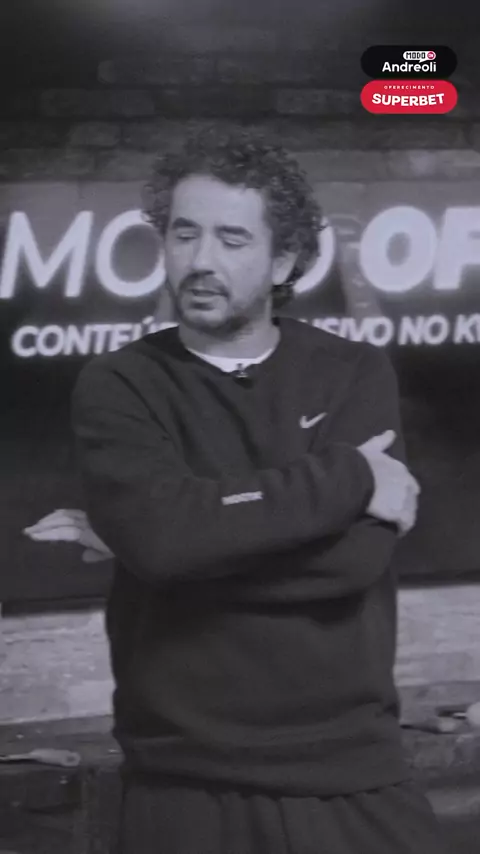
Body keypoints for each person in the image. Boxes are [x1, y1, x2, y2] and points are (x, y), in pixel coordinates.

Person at [27, 124, 447, 854]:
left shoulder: (352, 372)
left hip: (350, 771)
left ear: (283, 259)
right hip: (184, 782)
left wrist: (180, 543)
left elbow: (351, 563)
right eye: (184, 234)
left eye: (232, 239)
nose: (200, 261)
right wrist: (347, 478)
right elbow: (164, 543)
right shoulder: (120, 383)